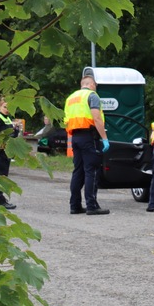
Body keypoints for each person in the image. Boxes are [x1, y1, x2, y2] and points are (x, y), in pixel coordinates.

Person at [65, 71, 110, 215]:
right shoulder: (92, 95)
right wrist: (104, 138)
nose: (96, 87)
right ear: (90, 84)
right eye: (95, 84)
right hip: (89, 136)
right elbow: (97, 118)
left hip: (75, 137)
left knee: (78, 171)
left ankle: (75, 206)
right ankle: (92, 205)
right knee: (92, 170)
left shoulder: (70, 98)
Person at [0, 96, 18, 210]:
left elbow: (11, 135)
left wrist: (16, 130)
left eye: (9, 107)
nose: (7, 109)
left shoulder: (7, 118)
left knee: (3, 175)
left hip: (6, 151)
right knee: (0, 176)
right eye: (5, 107)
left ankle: (0, 198)